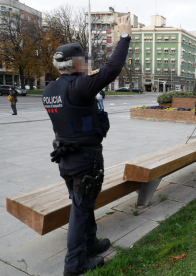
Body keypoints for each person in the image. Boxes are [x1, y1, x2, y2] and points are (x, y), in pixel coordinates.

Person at [42, 15, 131, 276]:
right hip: (84, 159)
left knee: (84, 203)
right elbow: (112, 68)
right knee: (80, 210)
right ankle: (74, 265)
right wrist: (124, 36)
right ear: (77, 63)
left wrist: (84, 80)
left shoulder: (50, 89)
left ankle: (90, 245)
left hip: (65, 158)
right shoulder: (80, 87)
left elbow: (73, 103)